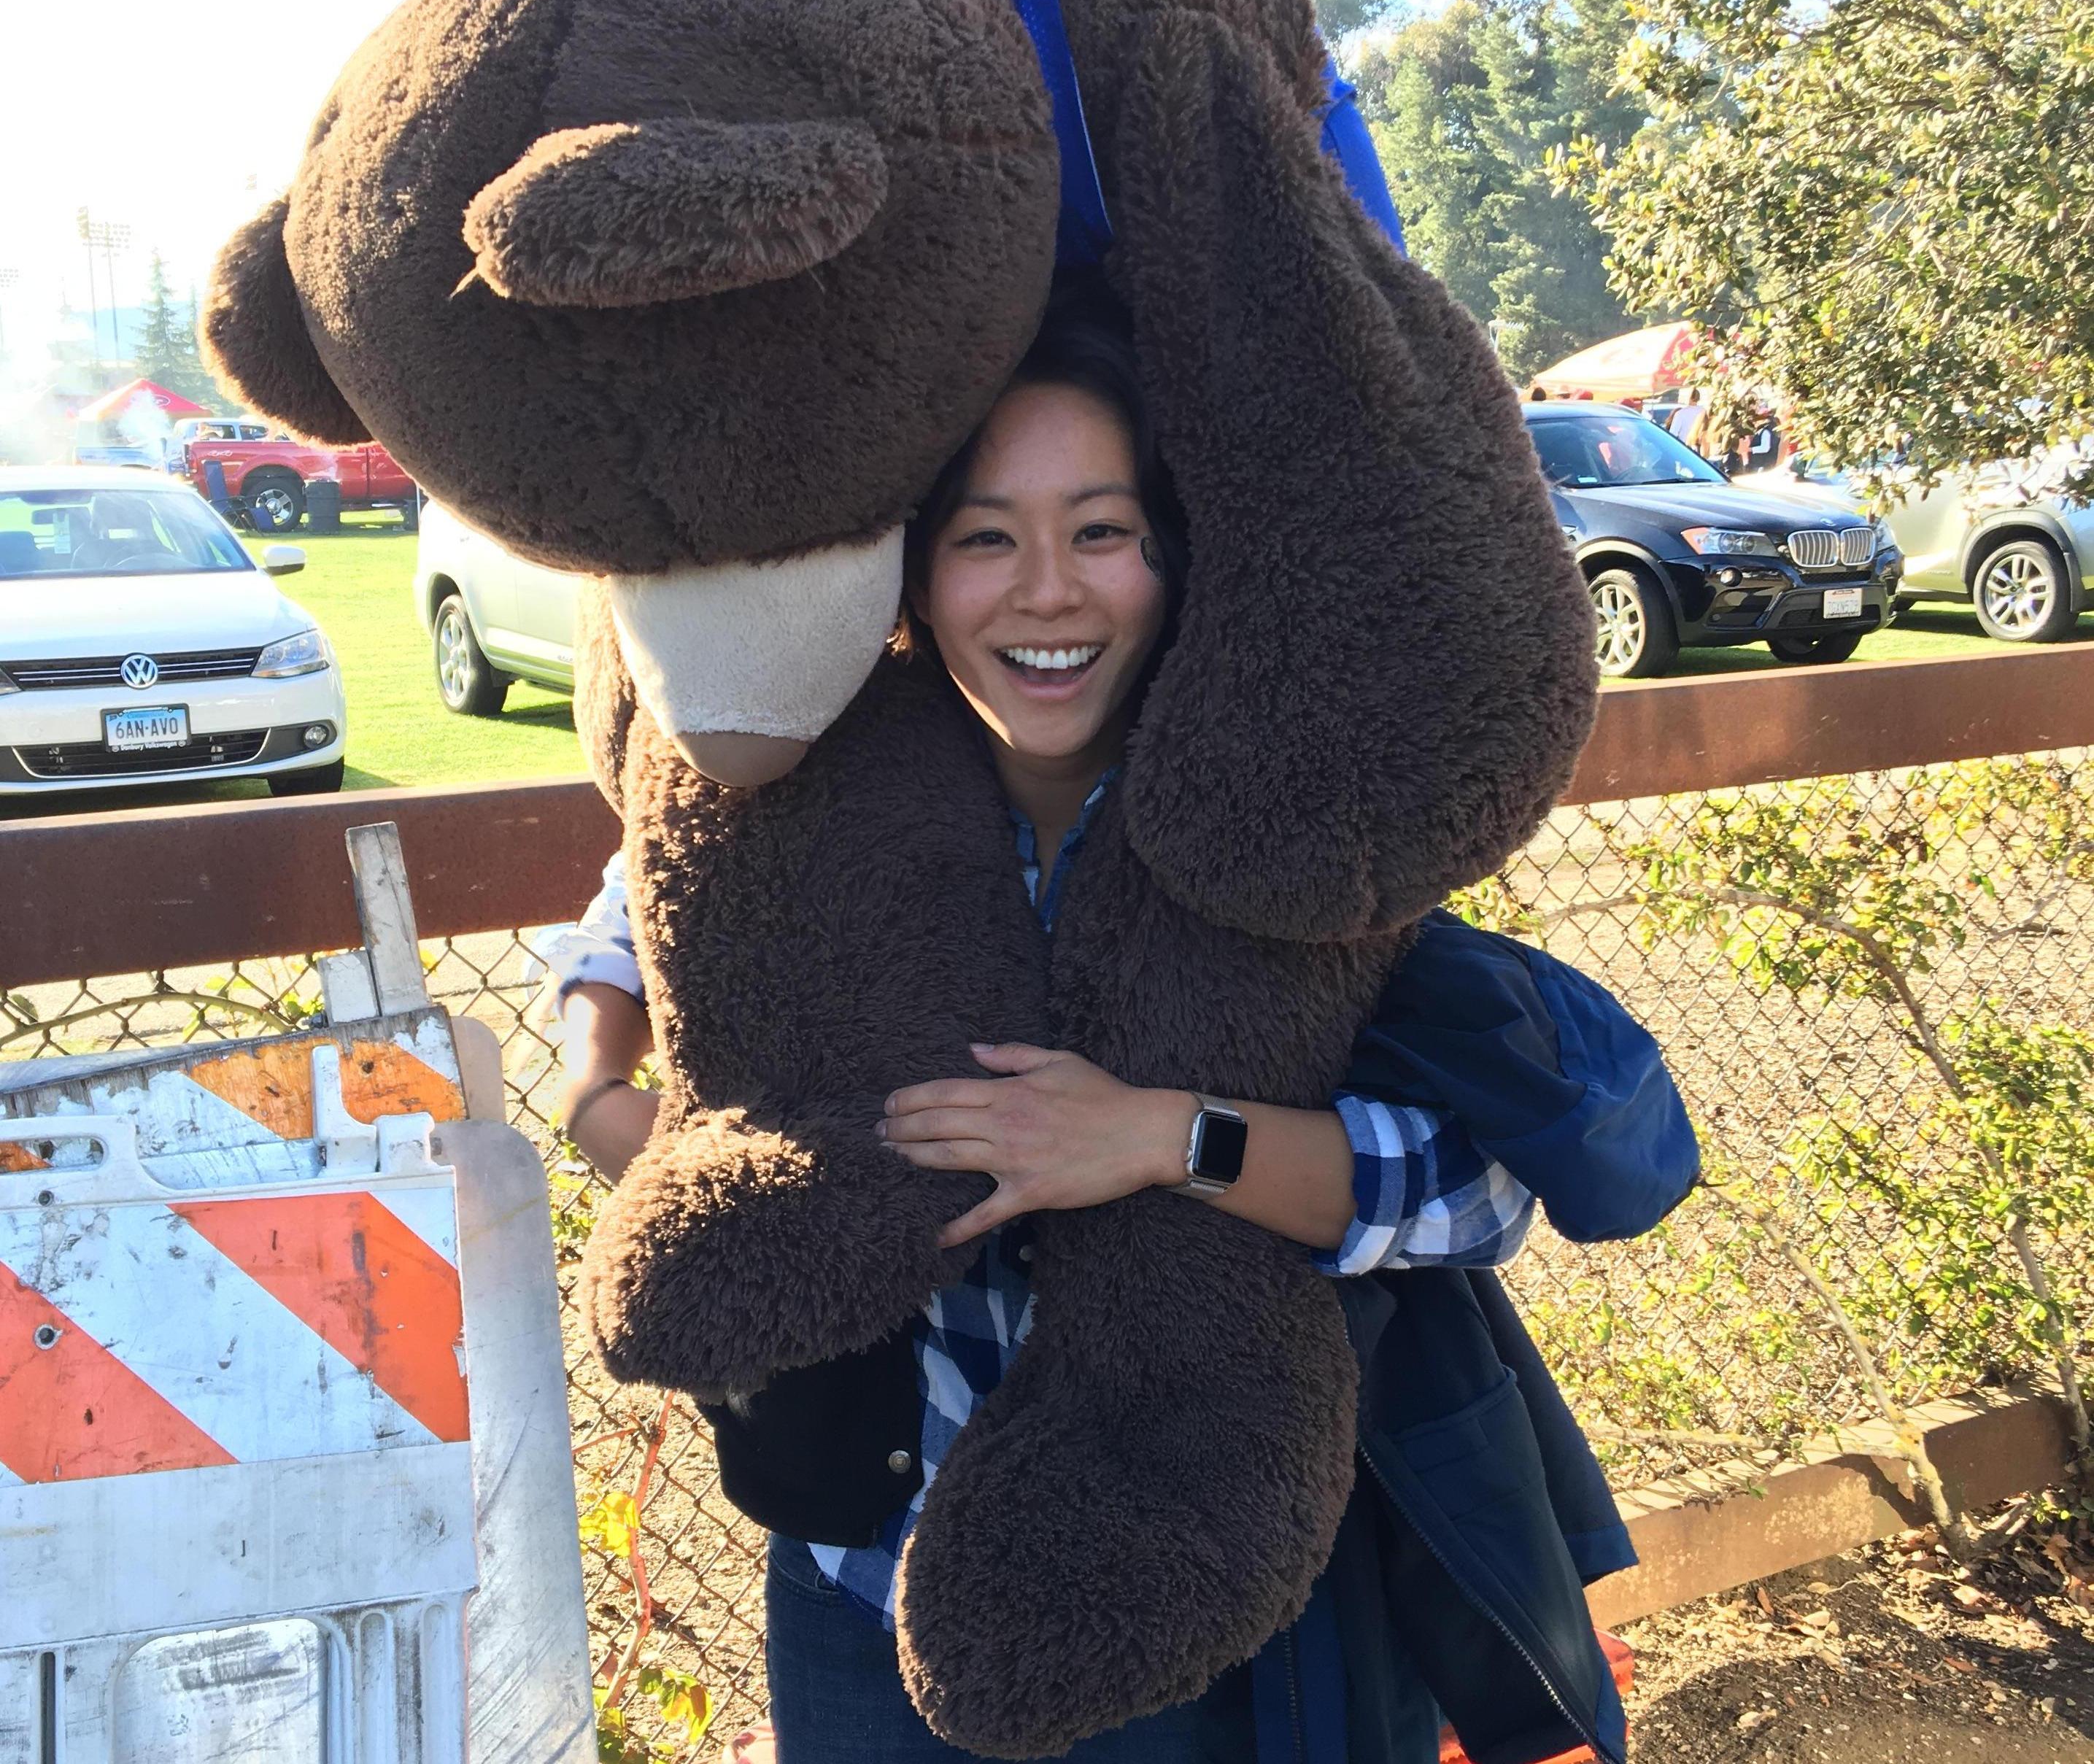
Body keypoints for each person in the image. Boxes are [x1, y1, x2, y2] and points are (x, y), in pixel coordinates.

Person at [537, 298, 1699, 1764]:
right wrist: (599, 1091)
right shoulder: (832, 791)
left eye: (1099, 530)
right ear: (911, 572)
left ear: (1173, 553)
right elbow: (634, 890)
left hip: (1202, 1577)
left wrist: (1161, 1137)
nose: (1045, 593)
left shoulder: (1280, 827)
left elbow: (1478, 1190)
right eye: (983, 538)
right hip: (861, 1563)